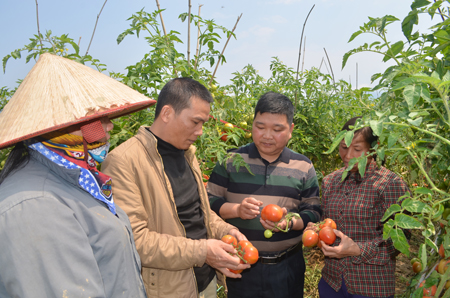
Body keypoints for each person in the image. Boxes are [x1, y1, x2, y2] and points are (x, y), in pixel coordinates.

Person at [0, 53, 156, 297]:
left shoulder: (76, 180)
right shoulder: (36, 206)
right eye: (98, 119)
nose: (110, 126)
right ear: (65, 128)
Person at [101, 77, 249, 298]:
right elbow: (135, 240)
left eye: (203, 124)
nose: (200, 132)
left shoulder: (188, 154)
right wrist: (203, 251)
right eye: (195, 122)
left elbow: (200, 213)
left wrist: (226, 230)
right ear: (167, 113)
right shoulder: (123, 161)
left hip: (205, 282)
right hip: (167, 289)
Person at [207, 91, 322, 298]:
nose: (267, 135)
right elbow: (209, 202)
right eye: (260, 127)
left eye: (277, 129)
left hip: (287, 266)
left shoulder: (303, 165)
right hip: (242, 262)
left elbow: (313, 210)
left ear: (290, 130)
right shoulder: (231, 160)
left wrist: (289, 223)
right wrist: (237, 210)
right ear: (252, 125)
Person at [310, 116, 409, 298]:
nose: (347, 156)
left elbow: (400, 240)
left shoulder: (390, 184)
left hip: (370, 285)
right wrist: (316, 230)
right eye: (344, 147)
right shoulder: (331, 181)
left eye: (357, 149)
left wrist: (358, 249)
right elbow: (327, 225)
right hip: (332, 282)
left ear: (373, 149)